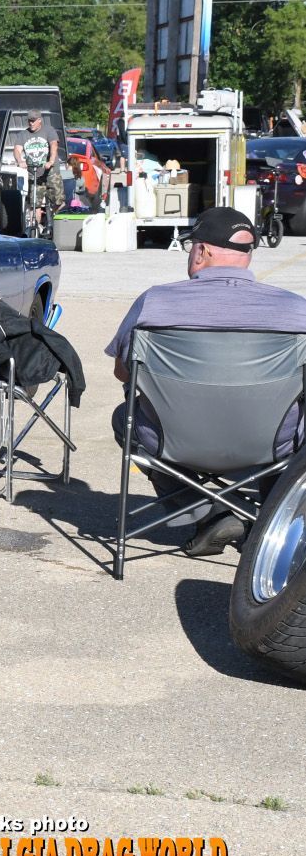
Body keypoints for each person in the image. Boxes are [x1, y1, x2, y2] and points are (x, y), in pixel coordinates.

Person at [106, 207, 306, 556]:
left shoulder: (156, 303)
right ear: (248, 254)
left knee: (125, 417)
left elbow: (124, 373)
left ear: (202, 251)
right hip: (271, 446)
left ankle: (207, 514)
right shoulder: (296, 310)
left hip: (174, 440)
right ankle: (271, 525)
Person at [18, 113, 61, 215]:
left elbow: (54, 145)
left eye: (33, 120)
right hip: (35, 174)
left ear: (39, 120)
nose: (31, 123)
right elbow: (17, 149)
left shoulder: (49, 130)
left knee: (58, 201)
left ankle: (54, 221)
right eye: (29, 121)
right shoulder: (23, 134)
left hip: (51, 172)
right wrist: (20, 161)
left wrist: (50, 161)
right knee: (34, 204)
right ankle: (36, 228)